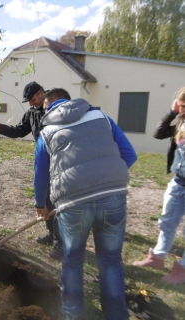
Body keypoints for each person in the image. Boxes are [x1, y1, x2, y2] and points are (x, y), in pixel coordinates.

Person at [34, 88, 137, 320]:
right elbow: (129, 154)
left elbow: (41, 173)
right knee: (111, 260)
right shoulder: (102, 117)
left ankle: (73, 315)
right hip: (114, 197)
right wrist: (106, 179)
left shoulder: (47, 132)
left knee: (72, 258)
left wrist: (40, 204)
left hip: (73, 203)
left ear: (49, 106)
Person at [0, 81, 63, 259]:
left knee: (58, 201)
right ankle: (51, 234)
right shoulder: (32, 113)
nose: (31, 104)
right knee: (47, 200)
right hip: (43, 161)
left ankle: (60, 243)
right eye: (29, 102)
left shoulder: (56, 108)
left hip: (60, 160)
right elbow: (18, 131)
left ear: (41, 94)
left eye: (32, 99)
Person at [133, 87, 185, 284]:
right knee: (167, 221)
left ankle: (182, 269)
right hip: (178, 182)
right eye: (181, 106)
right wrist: (171, 113)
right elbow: (159, 133)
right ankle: (158, 258)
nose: (182, 110)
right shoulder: (181, 123)